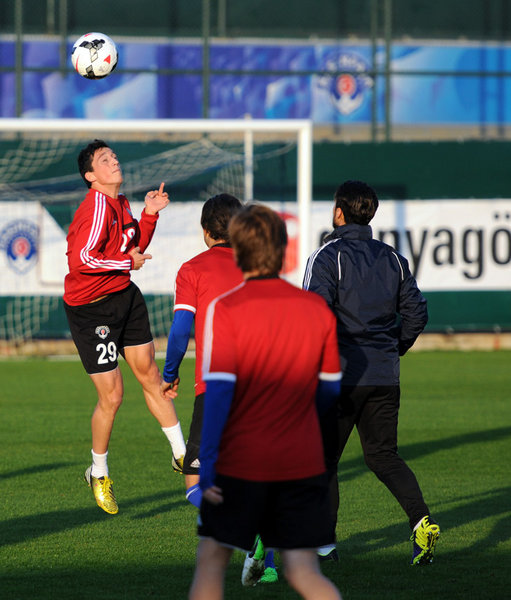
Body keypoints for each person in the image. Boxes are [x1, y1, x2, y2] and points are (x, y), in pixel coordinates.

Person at [189, 204, 342, 600]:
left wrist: (209, 465)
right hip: (302, 461)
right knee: (304, 571)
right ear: (282, 249)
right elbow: (329, 390)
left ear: (239, 251)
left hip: (242, 461)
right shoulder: (316, 309)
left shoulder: (227, 308)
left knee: (211, 563)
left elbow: (218, 395)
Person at [303, 179, 440, 565]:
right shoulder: (393, 258)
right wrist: (393, 347)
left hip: (341, 377)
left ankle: (324, 546)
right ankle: (421, 521)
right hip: (383, 375)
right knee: (383, 457)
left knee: (323, 460)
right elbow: (417, 313)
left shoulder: (327, 256)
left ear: (338, 212)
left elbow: (313, 315)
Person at [63, 139, 186, 515]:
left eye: (114, 156)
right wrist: (125, 264)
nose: (114, 161)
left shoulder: (122, 202)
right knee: (113, 396)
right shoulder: (95, 208)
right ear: (91, 176)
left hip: (125, 297)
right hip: (91, 311)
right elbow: (82, 260)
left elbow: (133, 248)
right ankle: (98, 472)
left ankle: (182, 454)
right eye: (104, 159)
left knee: (150, 374)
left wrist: (149, 215)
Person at [160, 193, 243, 507]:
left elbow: (181, 329)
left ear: (206, 231)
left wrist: (170, 373)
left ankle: (243, 527)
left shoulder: (192, 269)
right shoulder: (258, 266)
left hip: (215, 386)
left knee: (195, 484)